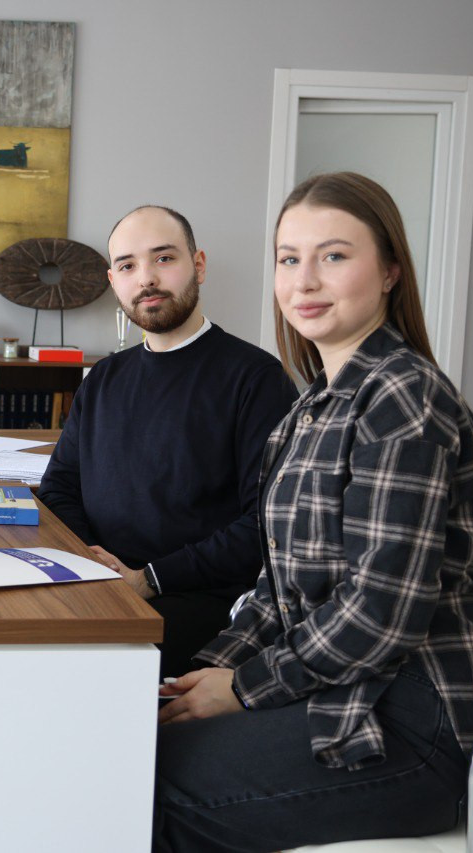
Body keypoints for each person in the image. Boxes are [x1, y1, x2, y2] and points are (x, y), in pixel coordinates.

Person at [153, 173, 473, 851]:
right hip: (337, 691)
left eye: (334, 255)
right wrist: (197, 680)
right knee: (124, 743)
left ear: (391, 271)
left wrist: (245, 688)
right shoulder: (310, 408)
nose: (305, 280)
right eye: (289, 258)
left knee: (137, 785)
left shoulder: (403, 396)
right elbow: (276, 591)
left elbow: (381, 610)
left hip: (417, 724)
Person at [38, 206, 297, 678]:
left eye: (163, 258)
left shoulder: (256, 379)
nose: (146, 279)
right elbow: (59, 487)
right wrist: (97, 565)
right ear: (113, 280)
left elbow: (266, 525)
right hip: (101, 581)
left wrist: (148, 579)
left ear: (198, 265)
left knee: (72, 667)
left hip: (198, 598)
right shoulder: (104, 378)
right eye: (127, 266)